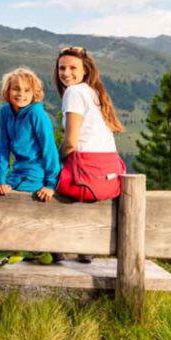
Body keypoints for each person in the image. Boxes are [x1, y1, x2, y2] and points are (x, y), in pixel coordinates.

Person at [53, 46, 126, 263]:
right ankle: (85, 245)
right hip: (109, 173)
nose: (66, 73)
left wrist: (55, 159)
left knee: (43, 179)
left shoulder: (73, 92)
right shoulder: (93, 92)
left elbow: (71, 143)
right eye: (61, 68)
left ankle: (52, 246)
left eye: (72, 67)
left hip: (87, 173)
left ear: (85, 70)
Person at [0, 68, 61, 267]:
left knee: (18, 204)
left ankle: (11, 249)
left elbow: (50, 151)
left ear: (34, 93)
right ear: (7, 91)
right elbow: (3, 148)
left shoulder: (38, 115)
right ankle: (32, 251)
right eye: (16, 89)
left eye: (27, 90)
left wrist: (51, 184)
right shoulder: (5, 112)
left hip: (37, 172)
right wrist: (1, 180)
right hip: (16, 172)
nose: (21, 94)